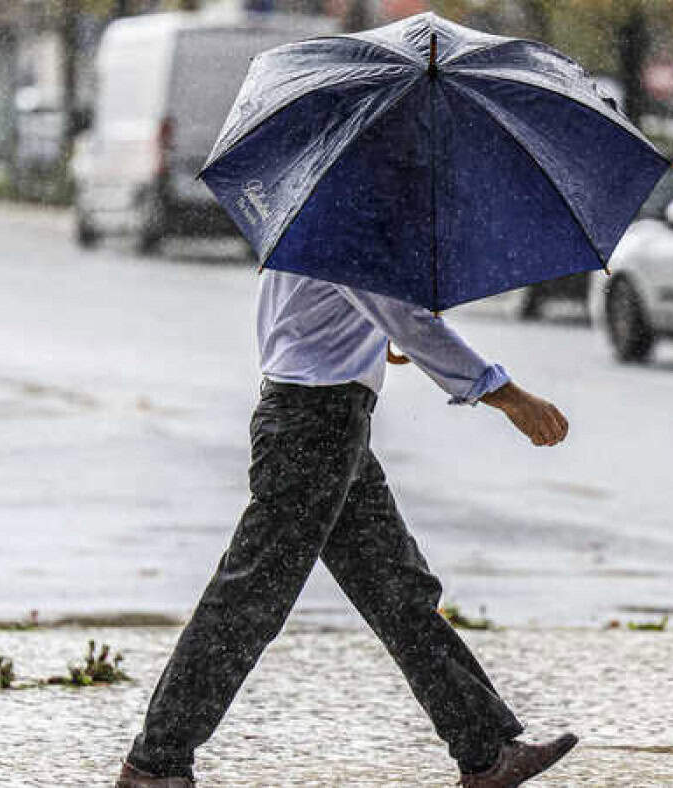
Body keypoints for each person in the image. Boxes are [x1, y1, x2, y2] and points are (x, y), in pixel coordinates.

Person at [117, 269, 577, 788]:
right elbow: (409, 321)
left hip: (326, 426)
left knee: (398, 593)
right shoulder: (352, 224)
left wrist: (369, 337)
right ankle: (156, 762)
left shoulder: (319, 223)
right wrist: (507, 394)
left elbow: (311, 321)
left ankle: (486, 751)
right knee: (248, 601)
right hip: (314, 429)